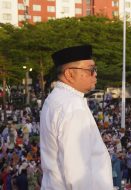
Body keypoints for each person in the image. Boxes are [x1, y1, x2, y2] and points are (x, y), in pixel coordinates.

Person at [40, 45, 113, 190]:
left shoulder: (56, 99)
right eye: (90, 70)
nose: (95, 74)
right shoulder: (72, 106)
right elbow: (77, 171)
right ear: (69, 74)